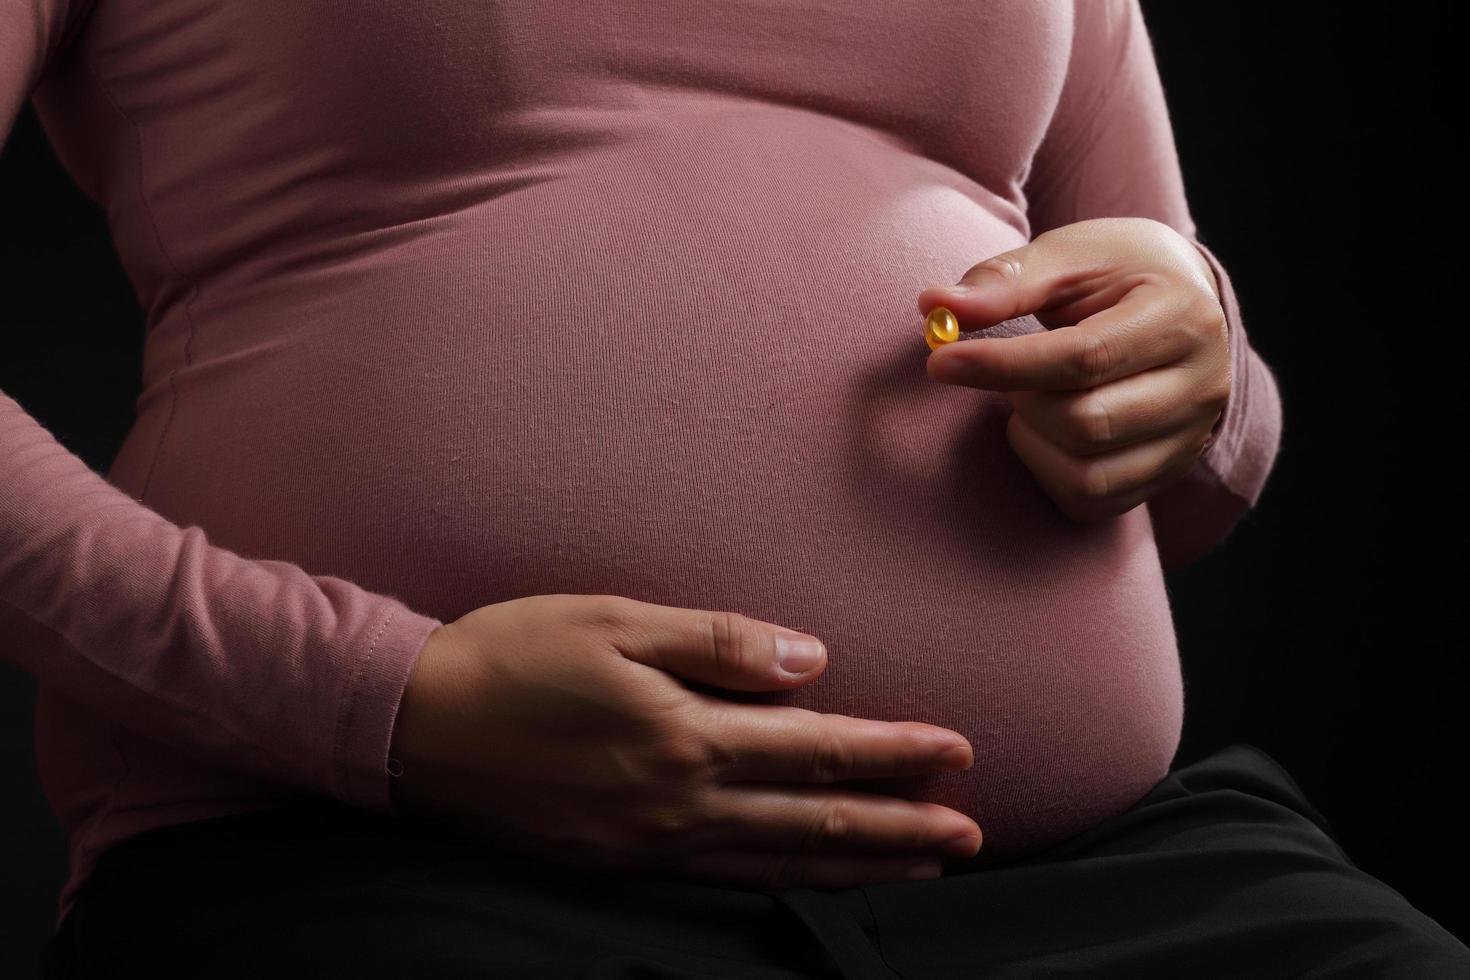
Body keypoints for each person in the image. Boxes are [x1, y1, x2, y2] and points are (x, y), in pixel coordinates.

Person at [2, 0, 1464, 976]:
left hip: (1092, 884)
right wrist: (383, 704)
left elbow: (1172, 420)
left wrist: (1198, 381)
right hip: (366, 860)